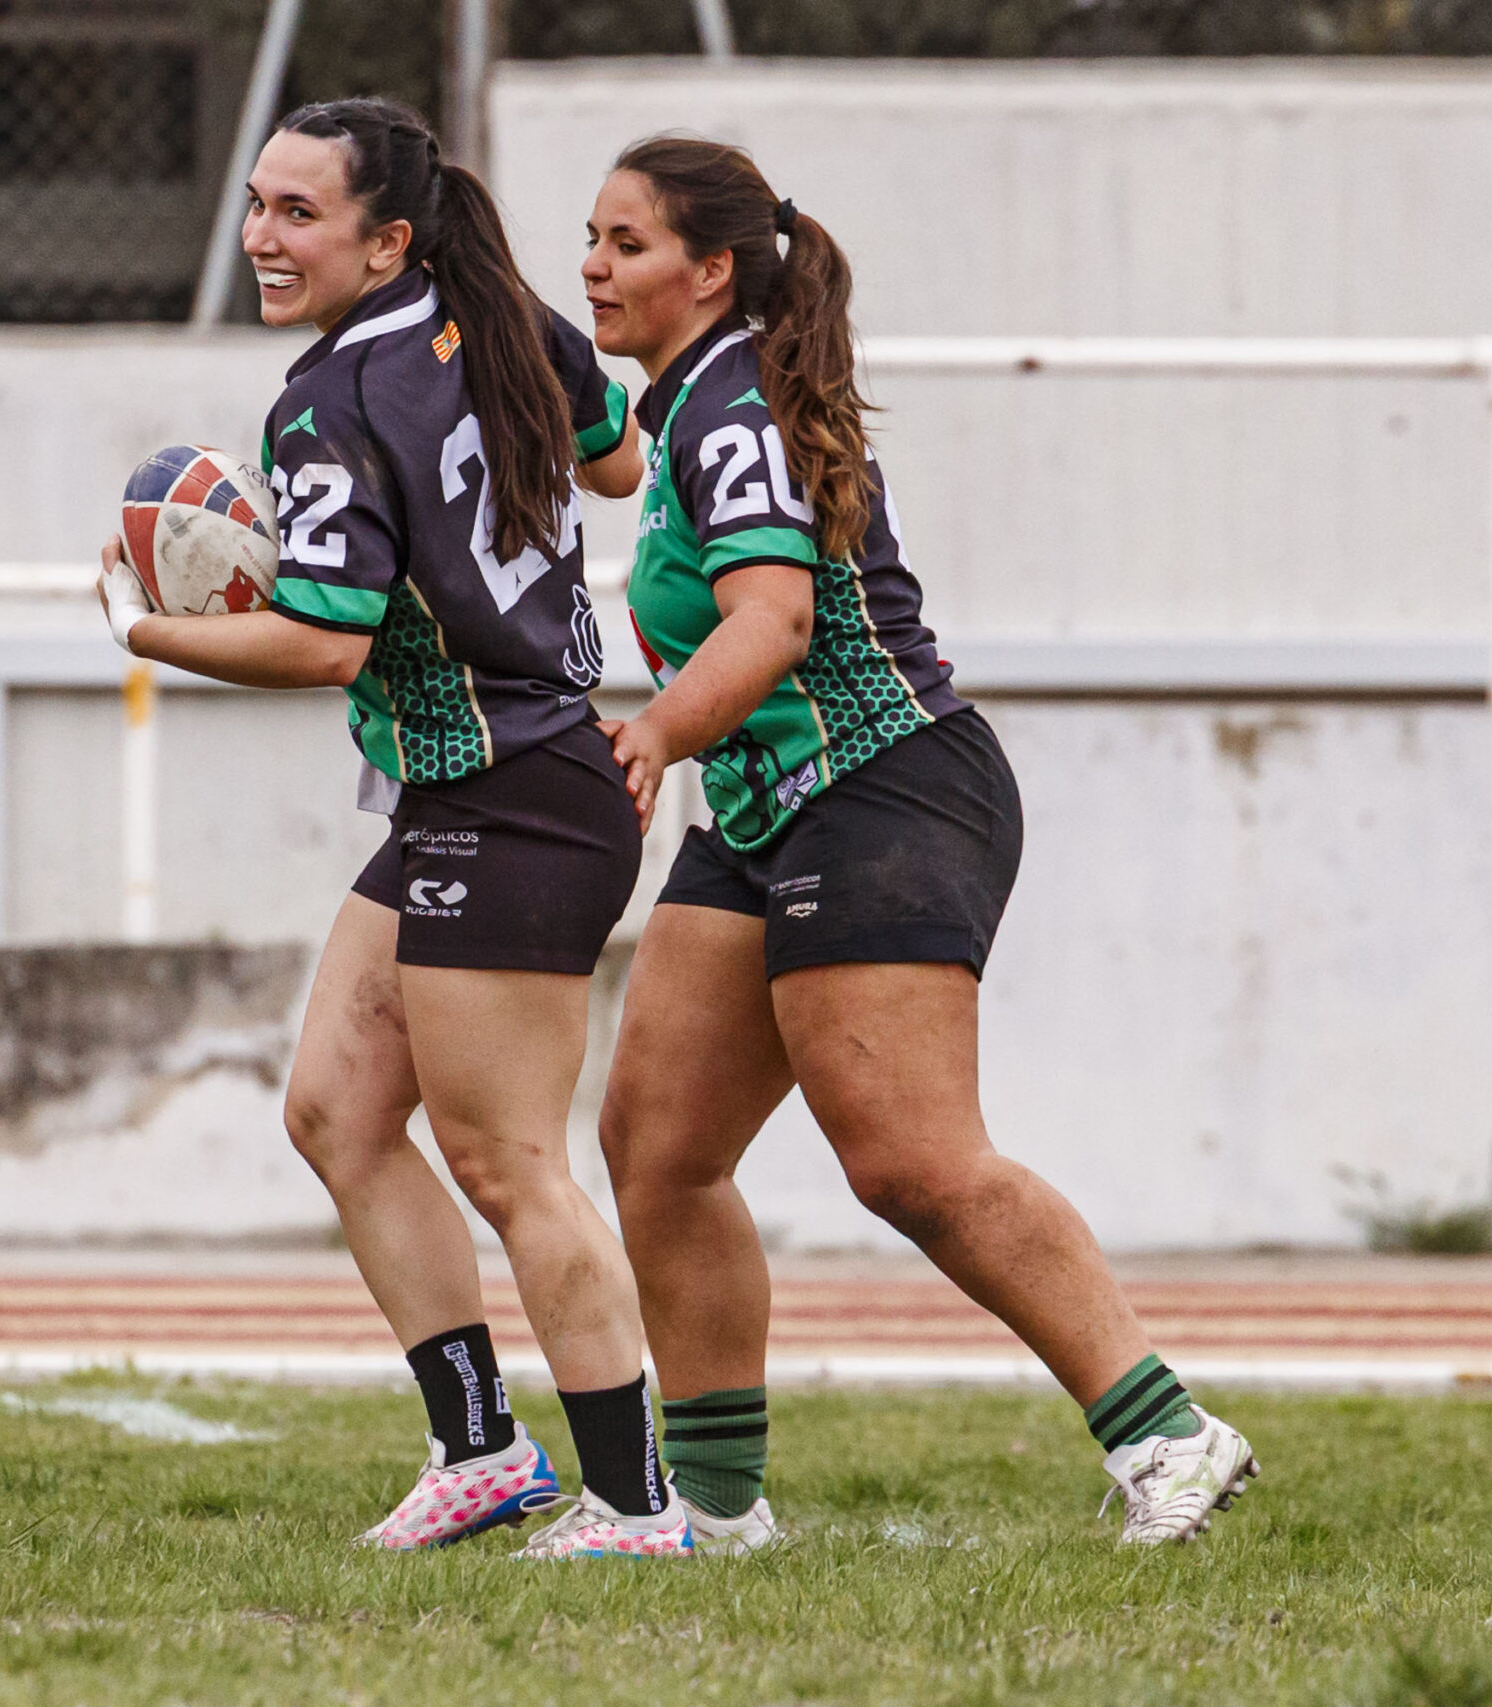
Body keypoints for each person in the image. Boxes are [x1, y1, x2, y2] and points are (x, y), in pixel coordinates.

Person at [584, 134, 1258, 1549]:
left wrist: (653, 733)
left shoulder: (730, 412)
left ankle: (1171, 1437)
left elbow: (771, 620)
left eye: (626, 243)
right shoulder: (697, 398)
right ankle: (709, 1512)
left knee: (911, 1163)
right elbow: (603, 454)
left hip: (885, 789)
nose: (594, 265)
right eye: (589, 239)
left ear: (711, 271)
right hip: (773, 810)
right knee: (659, 1146)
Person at [98, 98, 685, 1560]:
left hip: (512, 792)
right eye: (257, 203)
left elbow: (325, 643)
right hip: (486, 780)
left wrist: (149, 624)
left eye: (299, 214)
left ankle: (635, 1503)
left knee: (511, 1166)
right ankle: (481, 1446)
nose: (262, 238)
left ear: (388, 237)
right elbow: (619, 467)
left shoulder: (326, 399)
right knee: (337, 1113)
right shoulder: (510, 320)